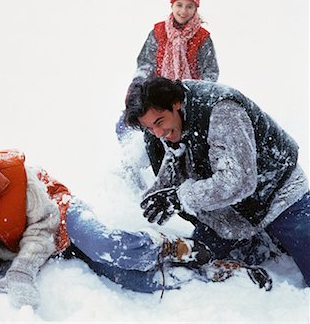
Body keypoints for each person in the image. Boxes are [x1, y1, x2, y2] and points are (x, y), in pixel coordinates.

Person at [0, 129, 217, 309]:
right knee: (132, 281)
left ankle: (171, 247)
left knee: (108, 247)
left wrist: (23, 270)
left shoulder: (17, 177)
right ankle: (199, 279)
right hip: (46, 247)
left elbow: (43, 224)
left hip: (60, 214)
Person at [124, 76, 310, 287]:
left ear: (175, 104)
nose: (158, 133)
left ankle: (271, 240)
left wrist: (179, 198)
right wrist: (160, 192)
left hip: (279, 197)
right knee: (198, 263)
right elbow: (177, 156)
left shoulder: (221, 111)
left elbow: (238, 181)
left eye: (159, 123)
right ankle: (256, 244)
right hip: (230, 213)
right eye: (149, 129)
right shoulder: (170, 122)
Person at [116, 0, 219, 190]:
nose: (184, 11)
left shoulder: (202, 38)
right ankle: (136, 179)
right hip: (154, 96)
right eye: (179, 5)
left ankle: (177, 182)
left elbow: (210, 72)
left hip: (184, 99)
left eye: (190, 6)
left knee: (172, 135)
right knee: (127, 126)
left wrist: (195, 94)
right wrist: (136, 87)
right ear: (172, 5)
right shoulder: (158, 32)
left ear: (196, 8)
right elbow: (145, 64)